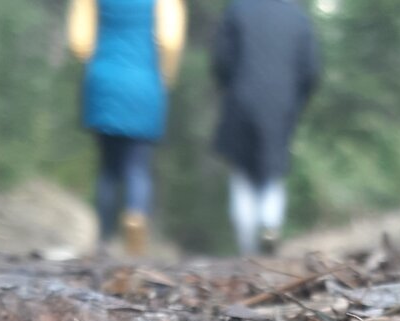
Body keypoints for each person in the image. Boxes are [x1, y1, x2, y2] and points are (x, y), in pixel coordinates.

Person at [67, 0, 187, 256]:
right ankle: (136, 215)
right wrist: (166, 75)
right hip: (145, 80)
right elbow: (171, 40)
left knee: (108, 168)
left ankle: (105, 239)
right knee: (138, 167)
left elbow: (79, 41)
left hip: (104, 76)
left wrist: (96, 57)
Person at [212, 0, 320, 256]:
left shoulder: (237, 10)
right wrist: (296, 102)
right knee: (272, 170)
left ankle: (248, 244)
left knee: (242, 171)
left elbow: (221, 61)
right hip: (281, 103)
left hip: (241, 99)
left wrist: (230, 89)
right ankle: (270, 225)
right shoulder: (298, 16)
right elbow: (311, 70)